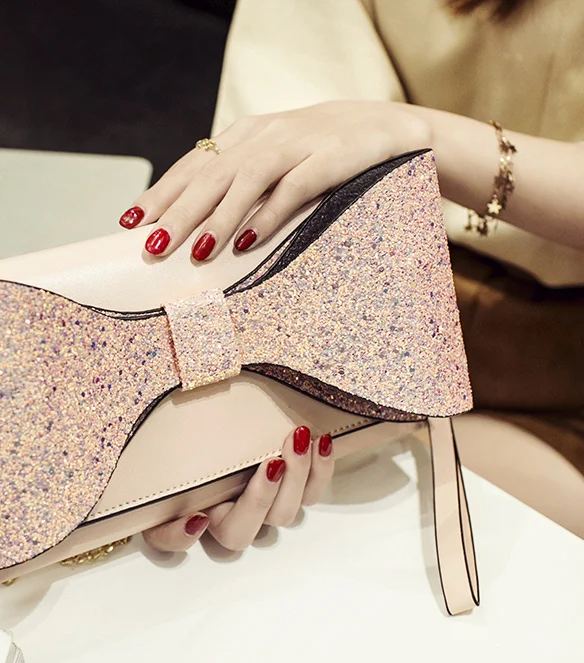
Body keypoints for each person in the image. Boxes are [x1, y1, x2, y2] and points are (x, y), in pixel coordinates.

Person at [133, 0, 584, 552]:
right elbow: (288, 165)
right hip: (382, 317)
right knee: (215, 508)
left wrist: (421, 136)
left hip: (557, 371)